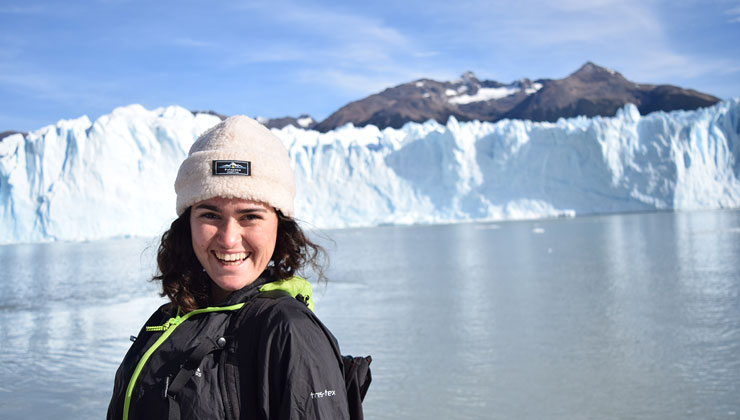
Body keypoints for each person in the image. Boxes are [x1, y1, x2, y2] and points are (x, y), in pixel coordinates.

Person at [107, 116, 351, 420]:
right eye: (210, 215)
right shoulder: (171, 318)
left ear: (280, 224)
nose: (228, 238)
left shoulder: (288, 331)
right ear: (188, 224)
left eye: (249, 216)